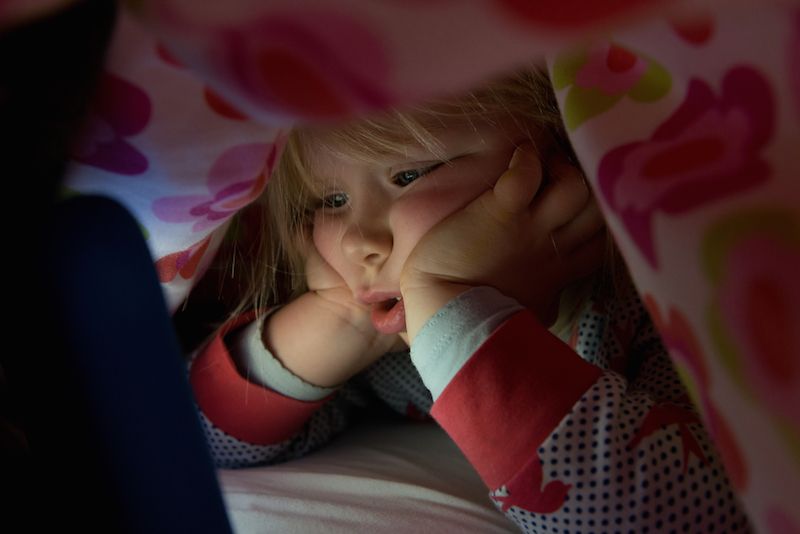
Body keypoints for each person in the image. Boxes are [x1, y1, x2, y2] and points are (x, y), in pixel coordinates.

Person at [187, 67, 749, 532]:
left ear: (562, 159)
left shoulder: (651, 311)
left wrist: (454, 307)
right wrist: (341, 319)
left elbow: (676, 518)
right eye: (330, 199)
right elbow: (194, 438)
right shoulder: (384, 348)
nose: (359, 241)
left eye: (410, 175)